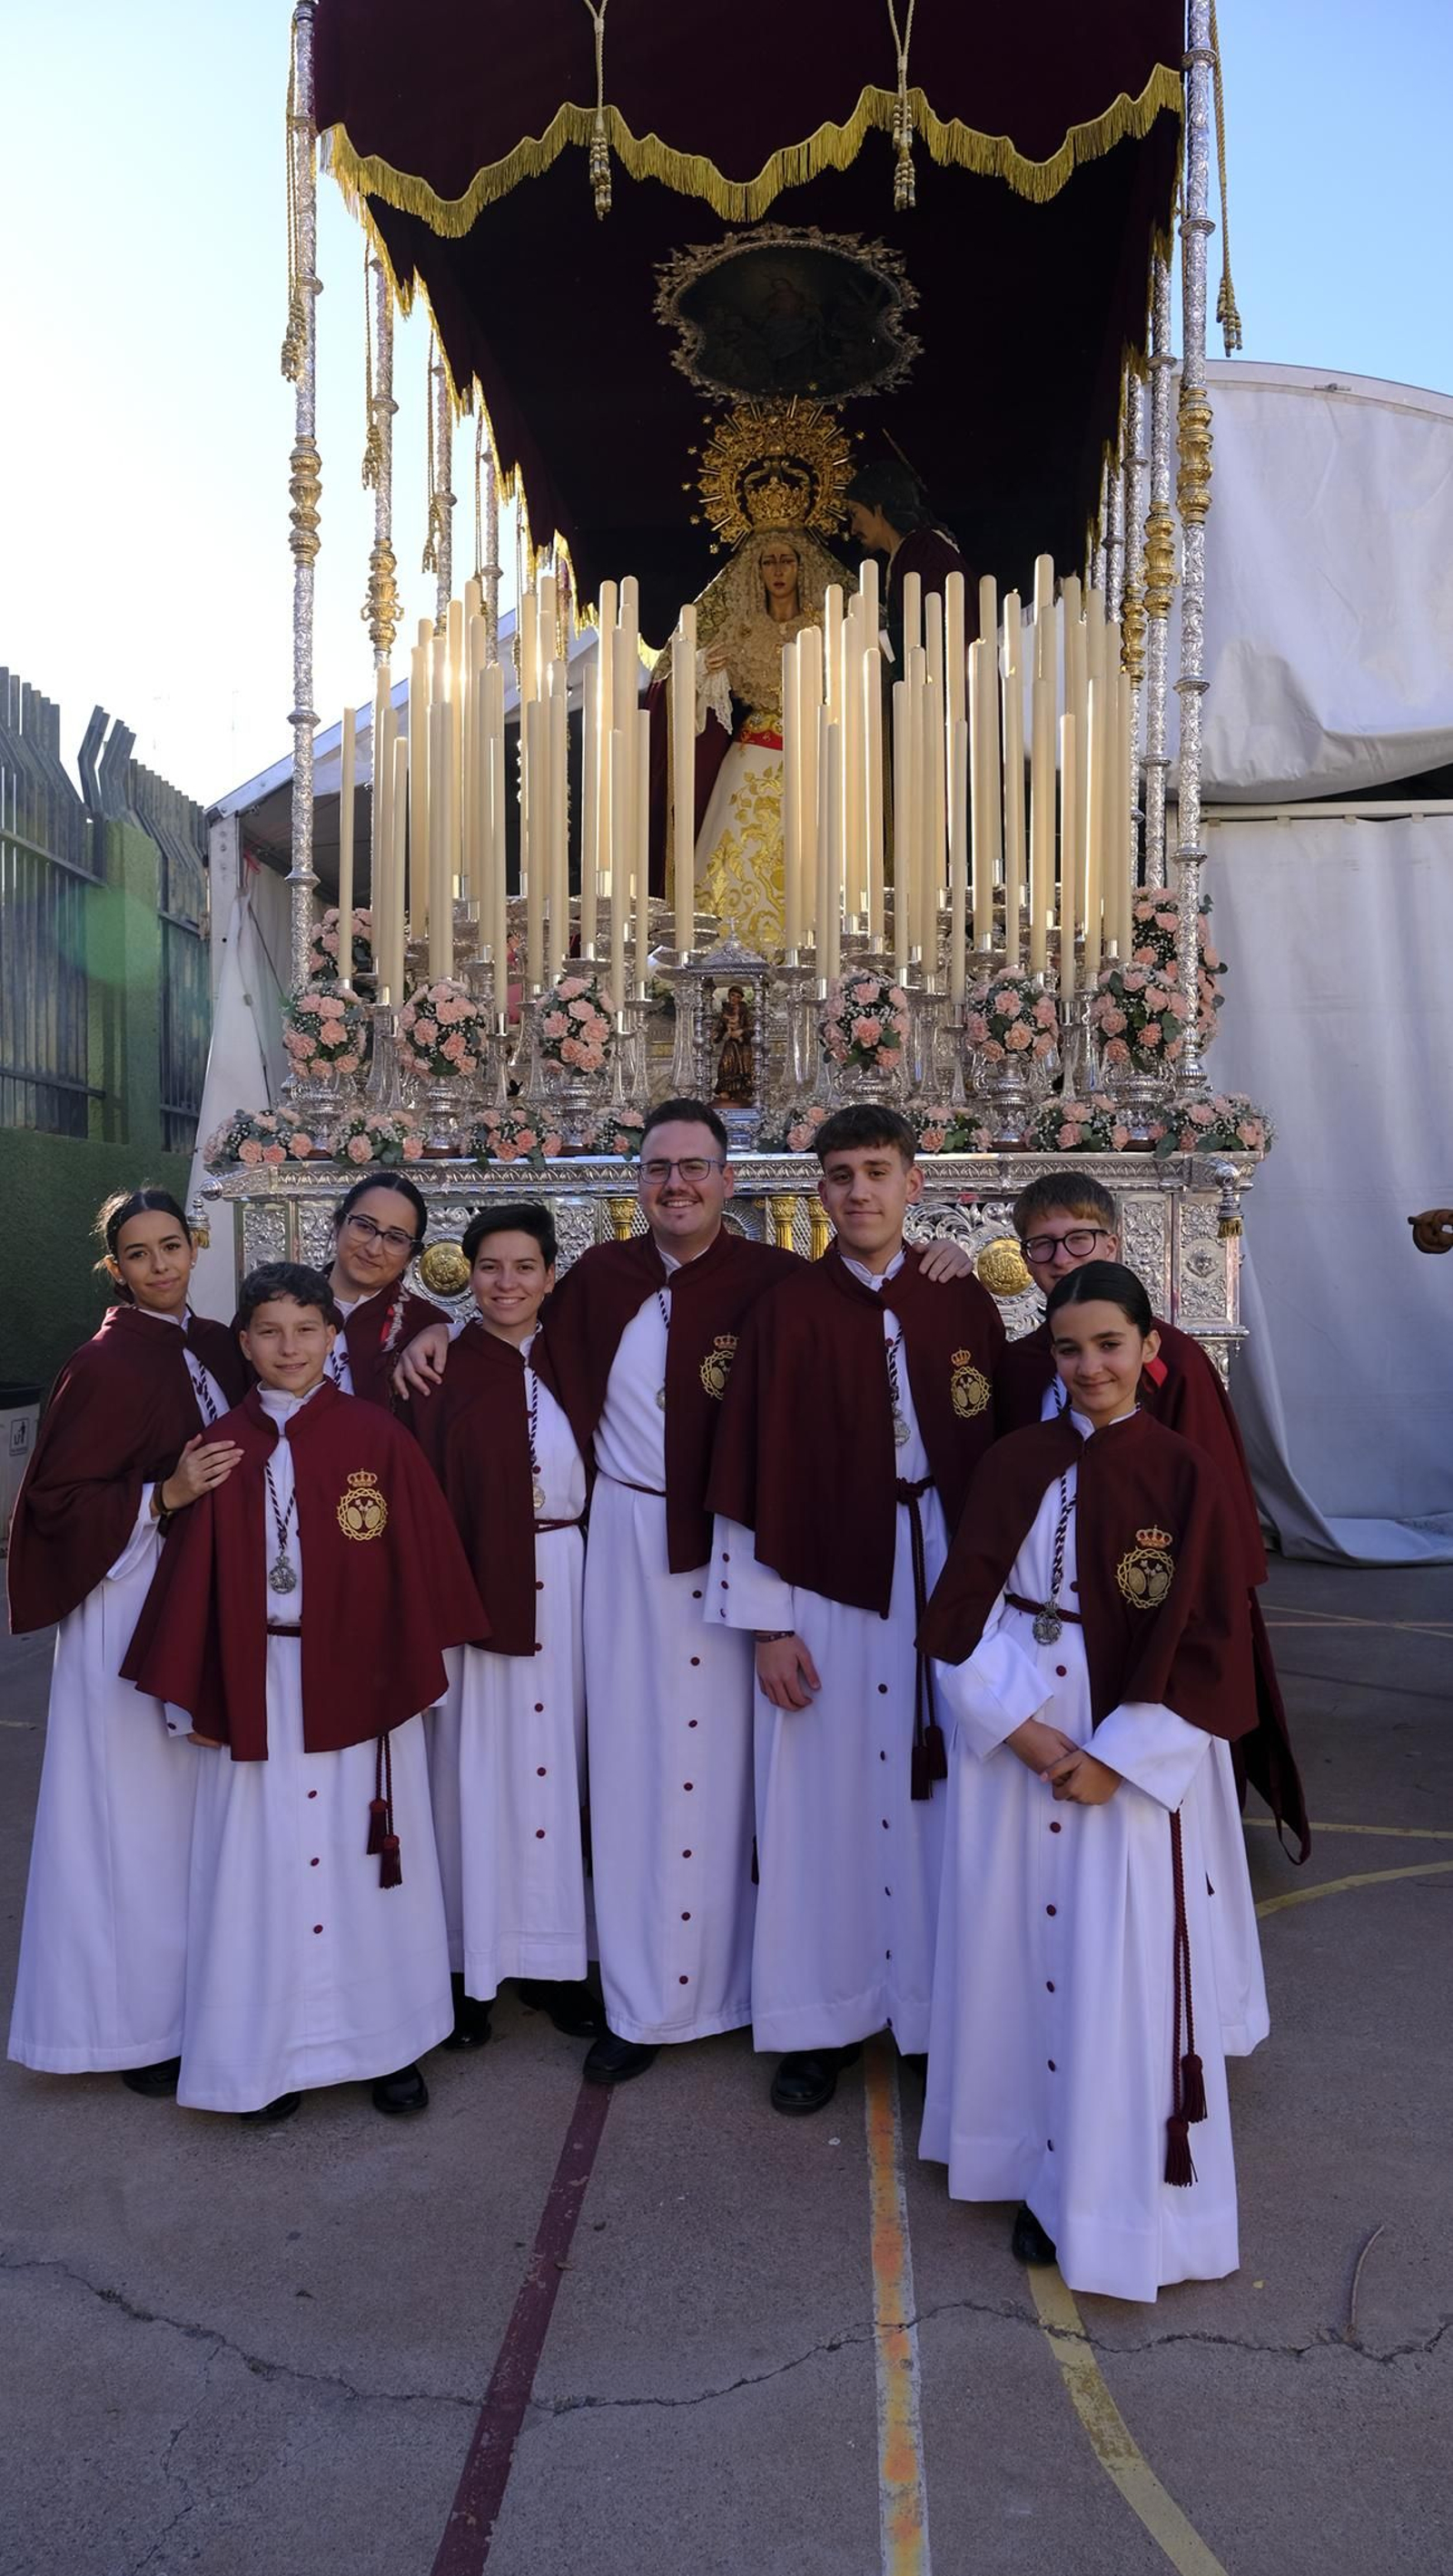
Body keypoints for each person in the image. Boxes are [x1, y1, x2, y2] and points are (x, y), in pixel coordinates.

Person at [393, 1100, 982, 2088]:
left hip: (749, 1537)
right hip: (625, 1544)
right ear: (637, 1183)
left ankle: (766, 1988)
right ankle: (644, 1997)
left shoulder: (776, 1284)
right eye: (659, 1168)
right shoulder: (598, 1281)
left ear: (729, 1180)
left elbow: (876, 1310)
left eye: (696, 1167)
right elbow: (514, 1327)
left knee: (764, 1784)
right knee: (632, 1771)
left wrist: (948, 1253)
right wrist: (441, 1332)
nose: (677, 1184)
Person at [919, 1261, 1264, 2304]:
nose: (1089, 1367)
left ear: (1146, 1343)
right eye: (1068, 1349)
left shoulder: (1183, 1470)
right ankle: (1023, 2156)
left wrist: (1116, 1756)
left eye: (1108, 1344)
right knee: (1017, 1951)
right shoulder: (1016, 1458)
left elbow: (1207, 1637)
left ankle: (1107, 2189)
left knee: (1116, 1963)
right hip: (1021, 1723)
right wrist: (1017, 1729)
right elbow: (959, 1605)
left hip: (1131, 1740)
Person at [123, 1263, 488, 2123]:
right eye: (270, 1332)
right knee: (262, 1869)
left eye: (306, 1329)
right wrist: (193, 1698)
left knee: (371, 1873)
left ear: (332, 1336)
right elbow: (190, 1584)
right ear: (243, 1343)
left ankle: (387, 2045)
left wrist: (409, 1678)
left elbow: (421, 1566)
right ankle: (261, 2057)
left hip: (357, 1675)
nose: (290, 1347)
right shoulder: (218, 1446)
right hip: (257, 1684)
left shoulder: (377, 1437)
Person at [707, 1107, 1005, 2115]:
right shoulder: (789, 1310)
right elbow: (747, 1462)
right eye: (838, 1175)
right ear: (818, 1191)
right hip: (826, 1577)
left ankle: (925, 2012)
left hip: (935, 1567)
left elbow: (1000, 1449)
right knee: (816, 1801)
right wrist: (768, 1620)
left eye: (877, 1171)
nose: (858, 1192)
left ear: (915, 1182)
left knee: (938, 1802)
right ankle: (817, 2017)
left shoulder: (958, 1301)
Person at [997, 1170, 1308, 1875]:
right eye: (1040, 1246)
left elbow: (1213, 1506)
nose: (1061, 1258)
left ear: (1113, 1240)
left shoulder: (1173, 1360)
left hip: (1153, 1603)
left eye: (1079, 1238)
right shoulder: (1020, 1366)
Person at [6, 1189, 247, 2095]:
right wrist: (166, 1494)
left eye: (172, 1246)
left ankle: (198, 2000)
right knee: (129, 1824)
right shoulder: (100, 1364)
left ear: (196, 1245)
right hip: (123, 1600)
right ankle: (128, 2029)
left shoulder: (223, 1342)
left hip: (202, 1600)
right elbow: (55, 1504)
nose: (159, 1266)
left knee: (196, 1816)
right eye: (138, 1254)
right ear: (115, 1267)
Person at [405, 1204, 601, 2053]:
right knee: (472, 1773)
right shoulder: (438, 1370)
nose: (508, 1283)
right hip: (476, 1585)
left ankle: (558, 1963)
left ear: (552, 1274)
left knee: (562, 1771)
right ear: (468, 1273)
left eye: (525, 1266)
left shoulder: (579, 1357)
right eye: (490, 1266)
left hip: (567, 1578)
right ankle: (469, 1964)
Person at [649, 524, 846, 952]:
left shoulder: (828, 631)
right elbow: (671, 680)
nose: (778, 571)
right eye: (768, 561)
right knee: (734, 865)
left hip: (811, 759)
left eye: (787, 560)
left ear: (802, 566)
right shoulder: (739, 632)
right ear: (756, 570)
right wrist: (701, 668)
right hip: (751, 758)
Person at [319, 1171, 444, 1406]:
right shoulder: (276, 1306)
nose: (374, 1249)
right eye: (364, 1226)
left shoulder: (426, 1325)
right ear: (337, 1226)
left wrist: (448, 1331)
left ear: (410, 1256)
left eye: (395, 1238)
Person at [845, 459, 976, 672]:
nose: (853, 528)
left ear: (878, 507)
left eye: (855, 513)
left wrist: (879, 643)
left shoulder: (922, 548)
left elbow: (937, 621)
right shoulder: (912, 550)